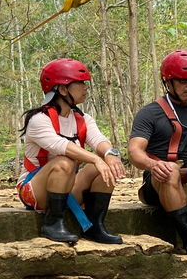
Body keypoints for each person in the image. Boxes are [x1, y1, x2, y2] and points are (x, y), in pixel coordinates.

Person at [17, 59, 125, 244]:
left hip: (68, 185)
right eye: (81, 83)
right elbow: (60, 146)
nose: (85, 88)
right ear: (63, 89)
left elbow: (99, 140)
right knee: (65, 161)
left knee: (105, 162)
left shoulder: (83, 119)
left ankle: (95, 226)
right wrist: (95, 159)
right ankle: (52, 224)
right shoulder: (38, 119)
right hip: (34, 189)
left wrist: (110, 155)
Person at [128, 49, 187, 257]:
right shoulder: (150, 113)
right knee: (170, 169)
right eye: (183, 80)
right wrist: (154, 165)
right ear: (168, 82)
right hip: (161, 180)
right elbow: (135, 152)